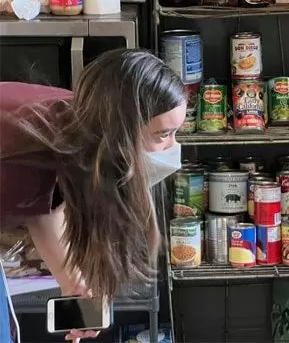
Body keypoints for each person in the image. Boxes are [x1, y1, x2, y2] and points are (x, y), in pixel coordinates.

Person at [0, 49, 187, 342]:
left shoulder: (82, 121)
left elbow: (42, 204)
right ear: (121, 131)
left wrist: (73, 284)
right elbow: (29, 187)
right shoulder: (14, 160)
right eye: (163, 135)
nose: (173, 148)